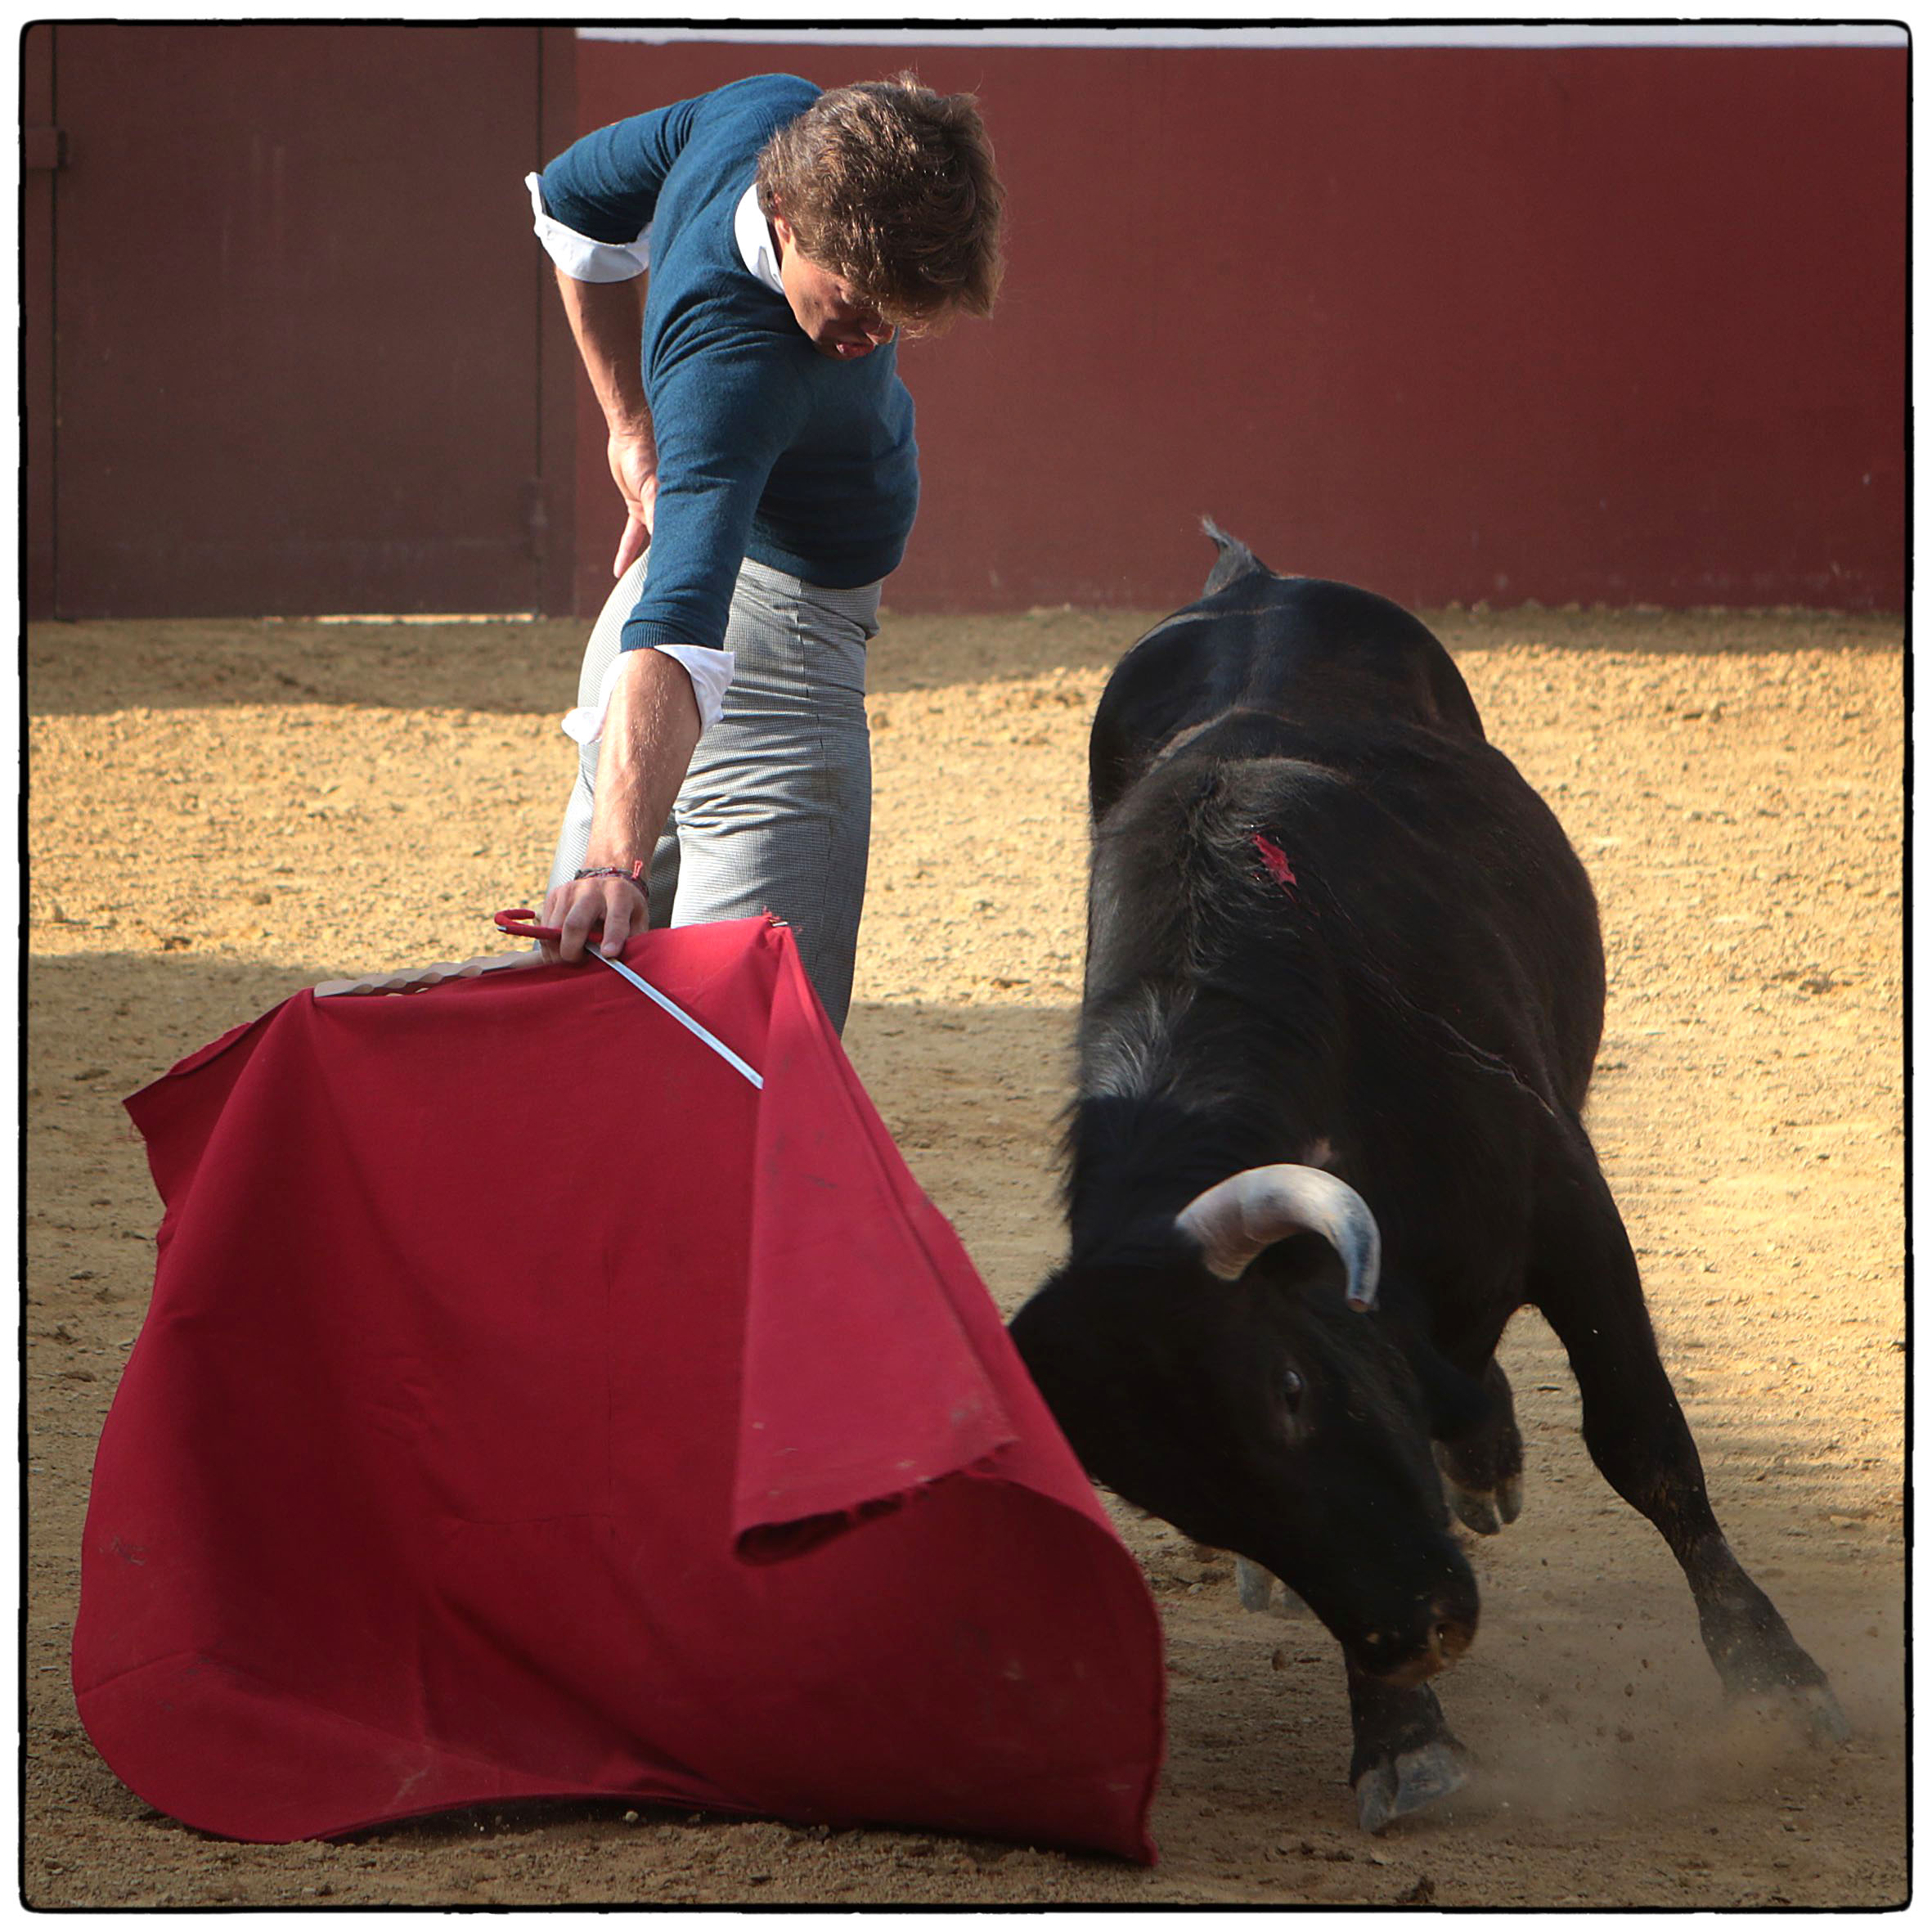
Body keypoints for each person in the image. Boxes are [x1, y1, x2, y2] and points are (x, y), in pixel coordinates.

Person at [526, 71, 1003, 1031]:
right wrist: (613, 861)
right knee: (753, 1060)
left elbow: (571, 200)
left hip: (648, 632)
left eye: (898, 314)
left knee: (587, 1022)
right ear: (782, 215)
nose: (876, 334)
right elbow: (679, 632)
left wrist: (628, 427)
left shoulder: (767, 113)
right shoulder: (733, 376)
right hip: (763, 673)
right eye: (856, 301)